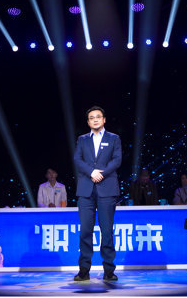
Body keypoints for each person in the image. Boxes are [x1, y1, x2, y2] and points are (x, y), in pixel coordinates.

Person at [73, 106, 121, 282]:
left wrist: (102, 173)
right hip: (86, 190)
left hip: (107, 189)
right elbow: (77, 159)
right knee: (85, 231)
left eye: (98, 117)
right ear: (88, 122)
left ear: (104, 120)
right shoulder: (82, 139)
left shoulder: (114, 138)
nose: (95, 119)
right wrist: (91, 172)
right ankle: (84, 270)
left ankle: (109, 270)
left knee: (107, 231)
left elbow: (117, 160)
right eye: (91, 117)